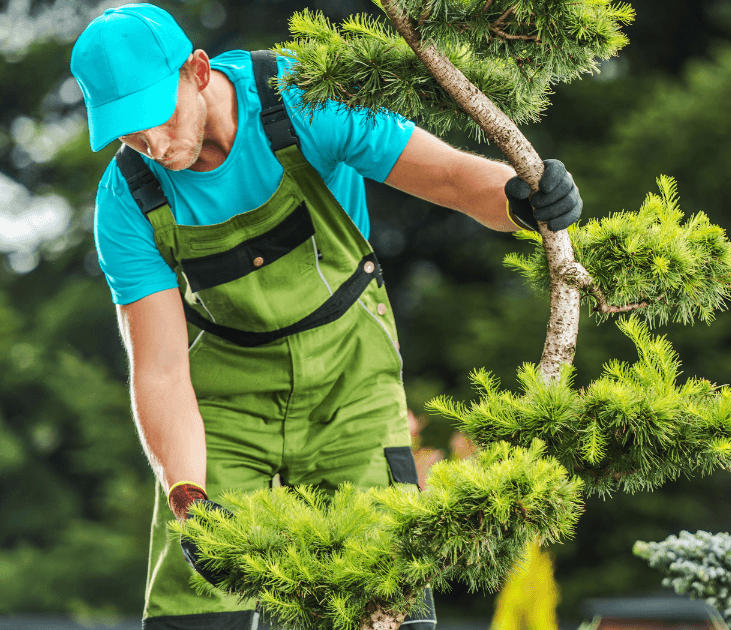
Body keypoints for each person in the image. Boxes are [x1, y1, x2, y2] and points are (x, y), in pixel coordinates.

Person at [70, 4, 582, 629]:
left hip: (351, 383)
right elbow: (160, 370)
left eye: (154, 117)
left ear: (198, 71)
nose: (150, 144)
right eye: (126, 133)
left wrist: (520, 198)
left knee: (380, 597)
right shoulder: (127, 198)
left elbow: (448, 178)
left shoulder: (303, 97)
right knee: (197, 611)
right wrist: (188, 496)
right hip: (225, 407)